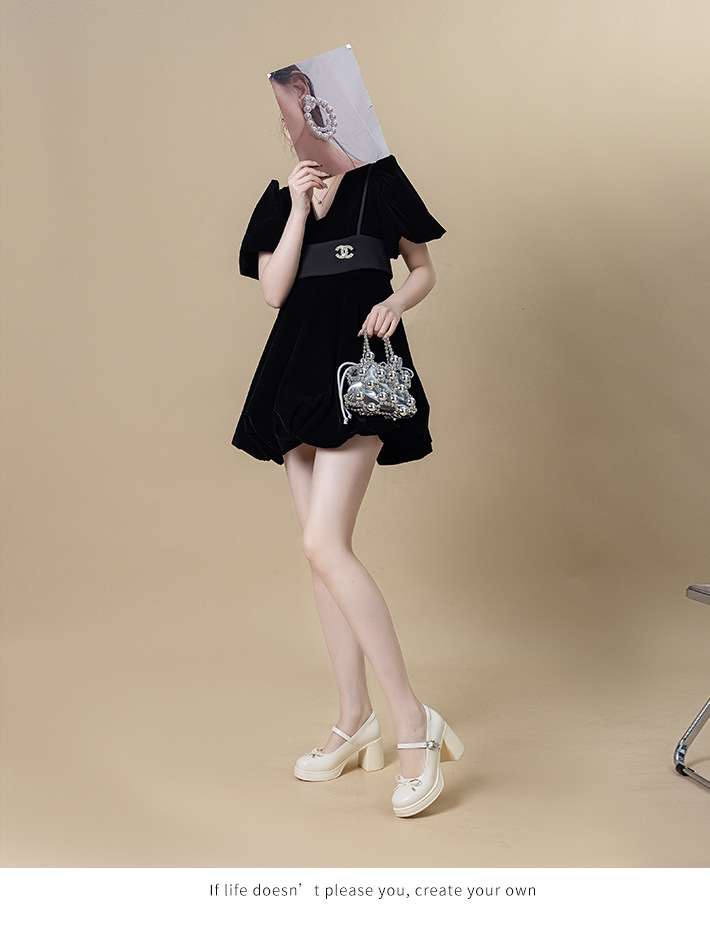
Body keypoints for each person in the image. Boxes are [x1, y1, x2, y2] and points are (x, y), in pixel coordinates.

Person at [232, 126, 463, 816]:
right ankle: (355, 716)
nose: (301, 132)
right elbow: (274, 292)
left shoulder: (380, 185)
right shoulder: (281, 201)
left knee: (324, 544)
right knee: (321, 557)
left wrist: (396, 302)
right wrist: (298, 207)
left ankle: (413, 721)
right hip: (294, 378)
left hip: (359, 376)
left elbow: (422, 268)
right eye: (291, 122)